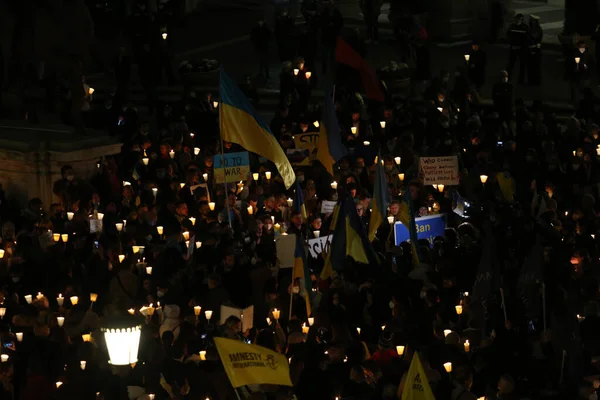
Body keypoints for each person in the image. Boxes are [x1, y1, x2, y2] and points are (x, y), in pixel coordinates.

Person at [506, 13, 529, 85]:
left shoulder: (524, 27)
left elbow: (527, 38)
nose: (516, 20)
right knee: (511, 65)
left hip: (520, 49)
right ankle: (508, 78)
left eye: (517, 19)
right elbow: (508, 35)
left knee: (521, 65)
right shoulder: (513, 26)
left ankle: (520, 80)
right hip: (514, 48)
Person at [527, 15, 543, 86]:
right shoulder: (531, 28)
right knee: (530, 66)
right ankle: (531, 81)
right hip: (530, 49)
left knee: (535, 66)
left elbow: (536, 38)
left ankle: (535, 81)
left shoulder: (537, 30)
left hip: (535, 50)